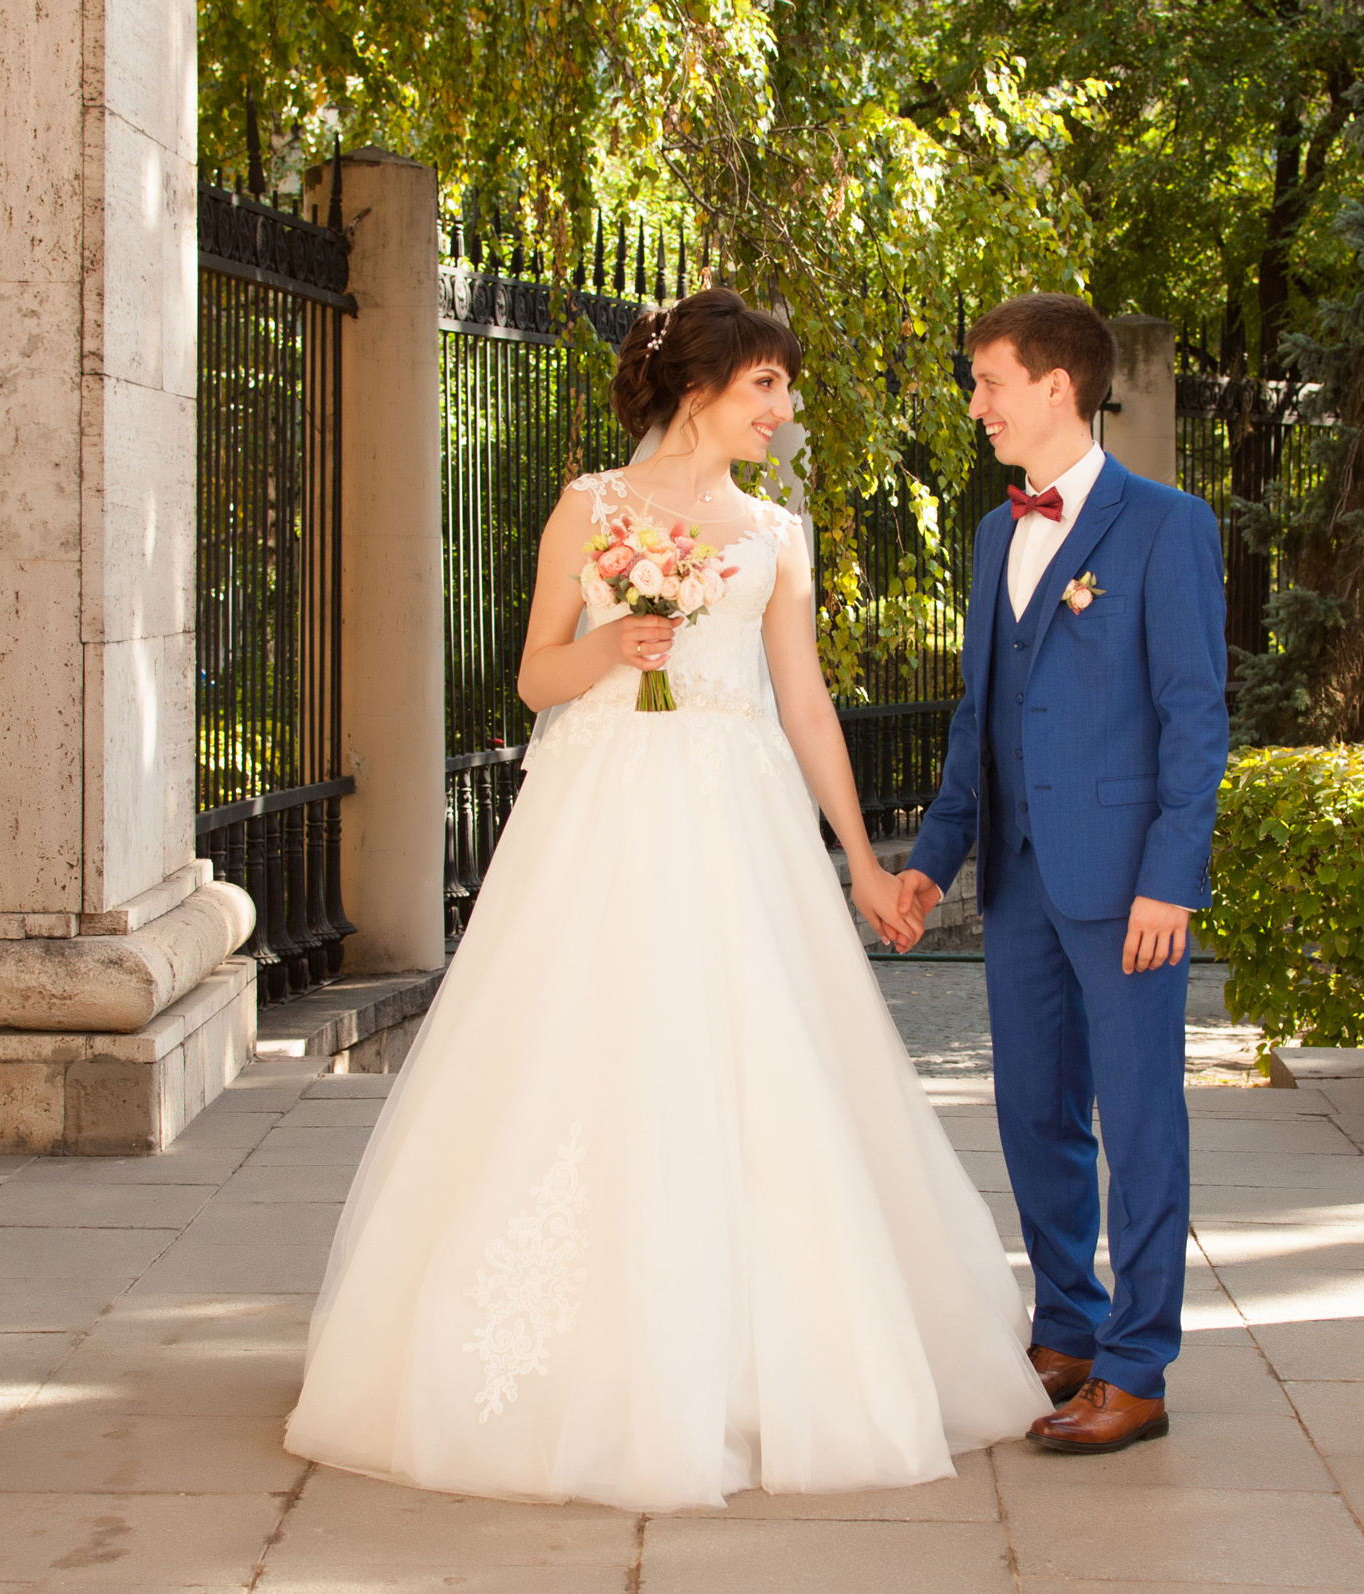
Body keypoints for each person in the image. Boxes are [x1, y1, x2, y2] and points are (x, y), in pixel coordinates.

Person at [284, 286, 1050, 1511]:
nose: (784, 410)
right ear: (701, 387)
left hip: (739, 825)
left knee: (758, 1067)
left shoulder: (776, 535)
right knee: (579, 1057)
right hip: (601, 812)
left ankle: (758, 1356)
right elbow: (535, 675)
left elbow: (804, 707)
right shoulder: (590, 508)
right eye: (767, 387)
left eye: (785, 389)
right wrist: (611, 650)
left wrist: (859, 857)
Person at [895, 293, 1229, 1454]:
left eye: (989, 379)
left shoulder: (1166, 525)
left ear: (1055, 386)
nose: (975, 400)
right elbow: (977, 720)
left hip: (1130, 882)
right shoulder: (997, 534)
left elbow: (1194, 717)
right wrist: (936, 862)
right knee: (1034, 1111)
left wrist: (1172, 878)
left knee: (1138, 1120)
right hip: (1022, 883)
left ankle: (1139, 1370)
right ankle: (1069, 1329)